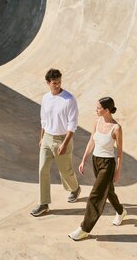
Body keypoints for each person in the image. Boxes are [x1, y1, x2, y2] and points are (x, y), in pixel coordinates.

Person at [68, 97, 127, 240]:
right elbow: (91, 141)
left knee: (95, 195)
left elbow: (119, 152)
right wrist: (83, 160)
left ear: (107, 110)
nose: (96, 110)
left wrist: (117, 171)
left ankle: (84, 228)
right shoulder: (97, 121)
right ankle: (121, 211)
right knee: (107, 190)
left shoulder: (116, 128)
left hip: (108, 164)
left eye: (98, 108)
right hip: (96, 161)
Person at [31, 68, 81, 217]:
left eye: (59, 82)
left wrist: (65, 144)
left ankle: (75, 188)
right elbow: (43, 120)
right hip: (47, 138)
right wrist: (41, 138)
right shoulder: (46, 98)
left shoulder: (69, 99)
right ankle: (44, 203)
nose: (57, 85)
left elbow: (73, 124)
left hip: (62, 139)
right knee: (42, 170)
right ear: (48, 83)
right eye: (54, 83)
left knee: (65, 172)